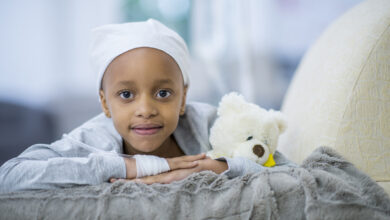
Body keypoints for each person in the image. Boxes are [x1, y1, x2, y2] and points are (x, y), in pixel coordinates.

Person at [0, 19, 294, 193]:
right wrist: (132, 167)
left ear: (183, 98)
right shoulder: (93, 139)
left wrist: (215, 168)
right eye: (126, 95)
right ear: (105, 102)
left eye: (163, 93)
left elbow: (289, 174)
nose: (146, 109)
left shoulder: (209, 124)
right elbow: (9, 177)